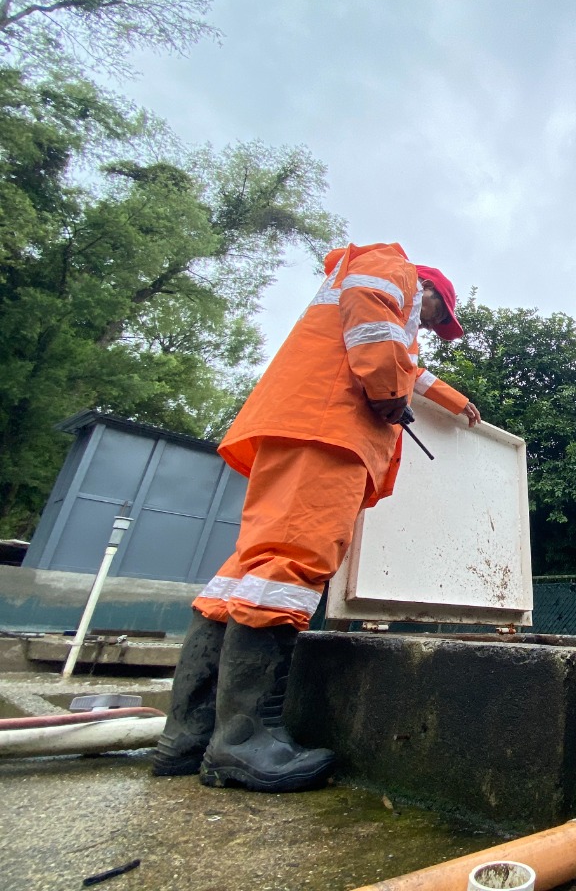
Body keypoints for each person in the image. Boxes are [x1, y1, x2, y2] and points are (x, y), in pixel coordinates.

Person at [152, 241, 480, 792]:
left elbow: (408, 368)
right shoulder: (392, 269)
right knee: (291, 566)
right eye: (436, 314)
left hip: (301, 422)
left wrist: (449, 398)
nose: (431, 323)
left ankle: (189, 735)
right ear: (428, 291)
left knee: (247, 571)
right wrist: (385, 393)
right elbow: (377, 341)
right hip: (329, 429)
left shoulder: (382, 300)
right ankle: (243, 741)